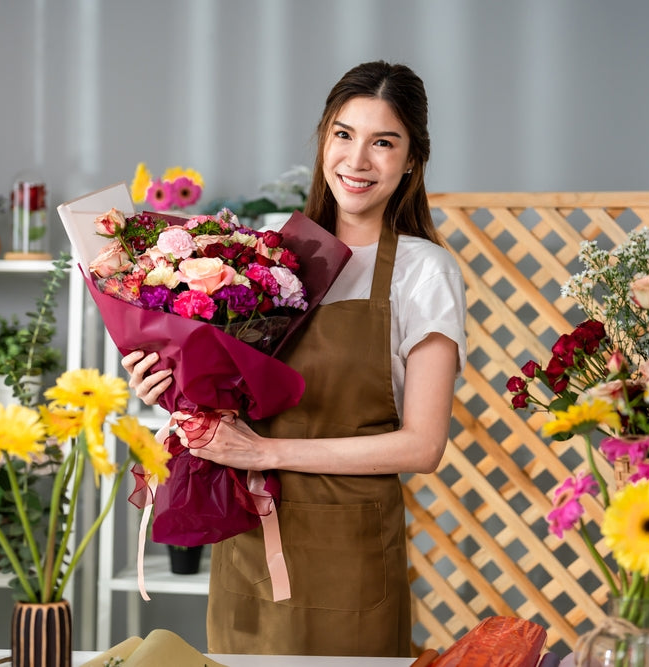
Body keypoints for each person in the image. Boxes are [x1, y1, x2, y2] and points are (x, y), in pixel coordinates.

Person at [122, 60, 467, 657]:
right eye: (343, 134)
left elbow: (422, 446)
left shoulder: (424, 272)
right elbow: (226, 395)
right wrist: (168, 387)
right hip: (251, 541)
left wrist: (265, 452)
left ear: (412, 159)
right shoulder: (266, 258)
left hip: (351, 558)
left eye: (383, 142)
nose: (357, 161)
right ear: (323, 140)